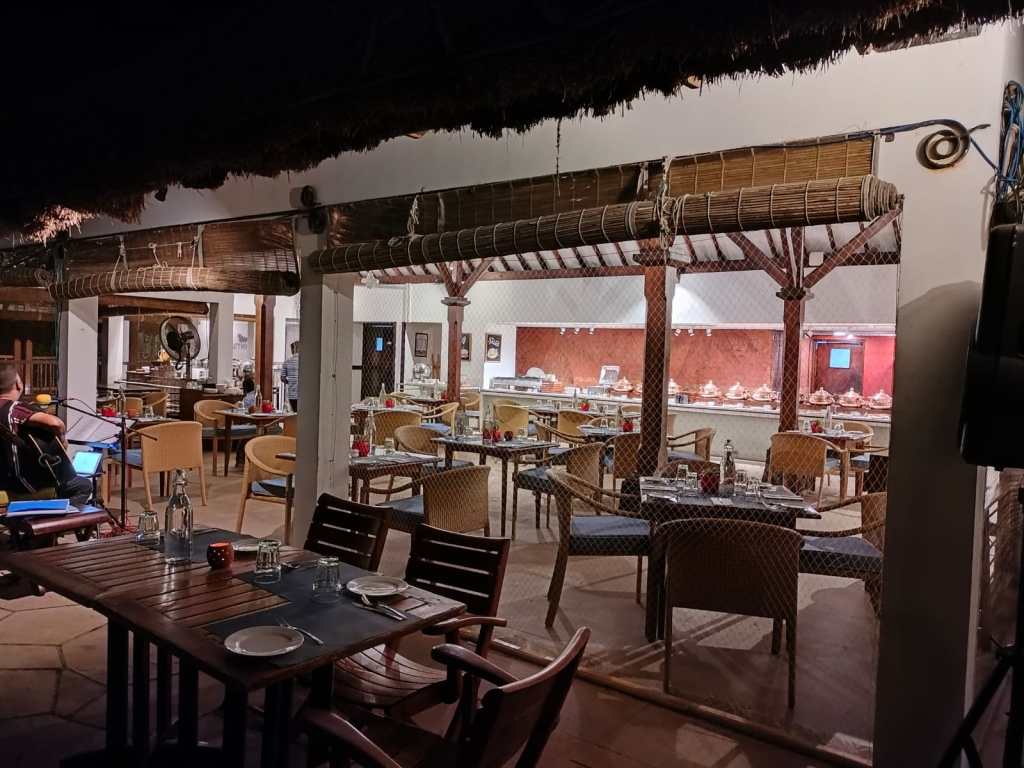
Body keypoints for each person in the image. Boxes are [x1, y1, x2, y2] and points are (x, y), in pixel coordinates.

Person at [0, 363, 92, 506]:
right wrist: (62, 440)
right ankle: (54, 517)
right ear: (18, 384)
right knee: (83, 485)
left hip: (3, 481)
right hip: (19, 485)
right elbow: (55, 423)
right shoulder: (14, 409)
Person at [281, 340, 300, 412]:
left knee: (295, 413)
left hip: (292, 394)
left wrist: (290, 382)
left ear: (292, 350)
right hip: (303, 393)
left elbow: (282, 378)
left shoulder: (287, 362)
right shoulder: (304, 361)